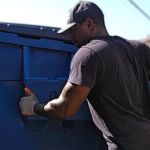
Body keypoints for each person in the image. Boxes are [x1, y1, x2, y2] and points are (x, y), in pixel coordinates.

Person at [19, 1, 150, 150]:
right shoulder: (139, 49)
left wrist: (34, 107)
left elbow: (65, 109)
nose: (71, 37)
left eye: (73, 30)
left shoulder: (88, 53)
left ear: (89, 23)